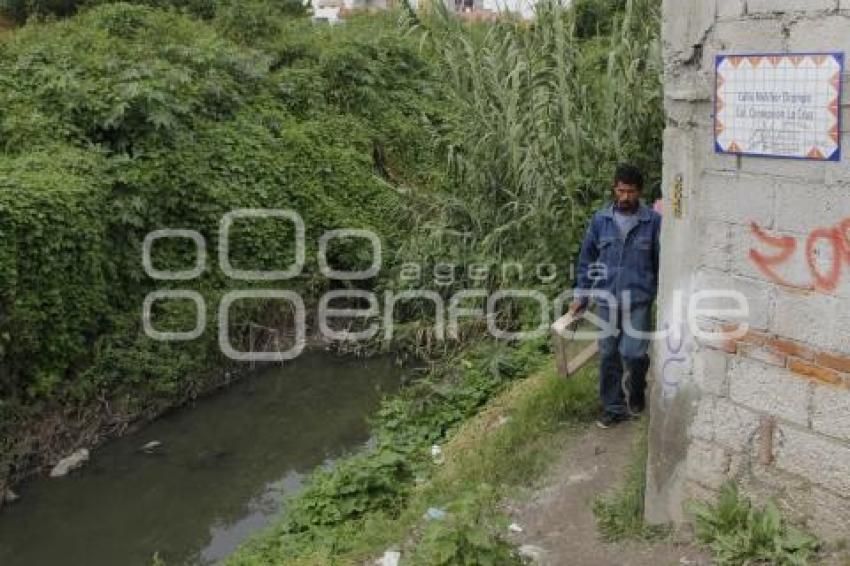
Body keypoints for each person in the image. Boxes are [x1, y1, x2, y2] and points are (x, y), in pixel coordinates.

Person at [569, 164, 662, 429]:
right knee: (609, 353)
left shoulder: (652, 222)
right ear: (614, 188)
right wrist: (581, 295)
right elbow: (587, 261)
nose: (624, 197)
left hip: (638, 300)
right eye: (620, 191)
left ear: (639, 192)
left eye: (630, 192)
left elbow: (660, 263)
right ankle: (613, 407)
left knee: (633, 353)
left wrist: (656, 293)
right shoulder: (600, 221)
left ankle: (636, 390)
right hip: (606, 300)